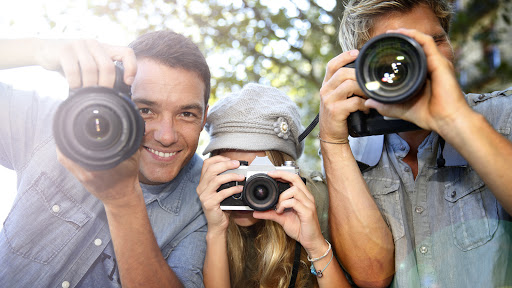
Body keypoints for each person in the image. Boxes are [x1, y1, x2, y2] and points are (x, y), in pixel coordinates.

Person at [320, 0, 512, 287]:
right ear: (359, 69)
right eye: (397, 51)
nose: (423, 59)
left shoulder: (503, 117)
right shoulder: (350, 155)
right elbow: (372, 276)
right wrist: (332, 142)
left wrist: (455, 119)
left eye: (435, 41)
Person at [0, 30, 210, 287]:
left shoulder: (203, 195)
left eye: (186, 114)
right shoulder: (51, 125)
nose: (166, 136)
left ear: (204, 118)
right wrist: (37, 49)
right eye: (145, 110)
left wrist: (124, 202)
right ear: (117, 100)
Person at [196, 83, 350, 288]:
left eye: (258, 179)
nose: (248, 191)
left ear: (286, 175)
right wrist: (216, 231)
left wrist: (315, 244)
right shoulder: (203, 210)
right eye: (235, 174)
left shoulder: (315, 201)